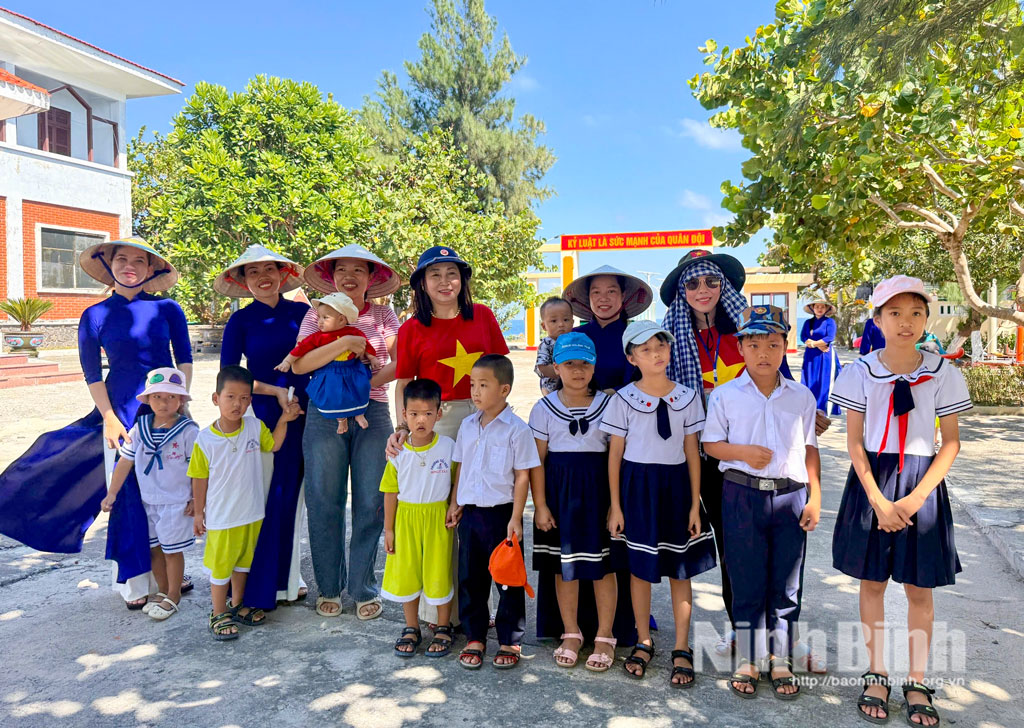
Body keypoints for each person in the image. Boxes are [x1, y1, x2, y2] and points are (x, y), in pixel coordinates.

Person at [0, 236, 193, 610]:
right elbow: (92, 374)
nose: (130, 266)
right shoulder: (94, 315)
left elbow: (184, 359)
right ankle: (135, 582)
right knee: (128, 497)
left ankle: (172, 575)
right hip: (120, 413)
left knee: (168, 492)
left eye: (139, 260)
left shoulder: (168, 309)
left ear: (152, 268)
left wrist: (181, 403)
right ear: (109, 264)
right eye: (122, 259)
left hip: (166, 412)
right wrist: (108, 418)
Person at [660, 248, 829, 670]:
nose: (703, 289)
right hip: (703, 452)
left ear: (725, 286)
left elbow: (779, 377)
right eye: (692, 283)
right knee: (734, 548)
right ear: (682, 291)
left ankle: (783, 636)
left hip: (764, 459)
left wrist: (804, 412)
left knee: (783, 557)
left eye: (711, 281)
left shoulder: (748, 329)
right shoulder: (672, 337)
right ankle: (742, 626)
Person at [829, 276, 972, 727]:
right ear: (877, 319)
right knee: (872, 583)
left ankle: (917, 680)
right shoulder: (859, 372)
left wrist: (915, 500)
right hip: (871, 482)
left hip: (920, 483)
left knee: (919, 589)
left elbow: (951, 442)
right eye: (894, 313)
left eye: (915, 313)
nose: (905, 322)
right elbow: (854, 443)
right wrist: (877, 500)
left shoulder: (943, 372)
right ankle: (876, 673)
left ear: (926, 319)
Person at [702, 306, 822, 700]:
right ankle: (750, 658)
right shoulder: (725, 395)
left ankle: (780, 658)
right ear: (740, 348)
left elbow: (810, 447)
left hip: (791, 495)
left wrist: (815, 497)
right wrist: (742, 452)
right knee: (746, 577)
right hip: (741, 493)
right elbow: (711, 444)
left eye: (772, 343)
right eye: (753, 344)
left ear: (785, 346)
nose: (763, 353)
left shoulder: (801, 396)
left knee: (787, 582)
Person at [390, 245, 509, 627]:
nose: (445, 282)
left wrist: (497, 417)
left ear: (463, 280)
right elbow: (403, 383)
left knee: (481, 512)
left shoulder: (483, 317)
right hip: (436, 422)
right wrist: (403, 427)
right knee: (441, 513)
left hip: (482, 417)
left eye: (452, 273)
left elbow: (501, 369)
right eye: (435, 274)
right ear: (422, 284)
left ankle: (480, 607)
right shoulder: (411, 328)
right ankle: (439, 609)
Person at [604, 321, 716, 686]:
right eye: (645, 349)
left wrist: (694, 504)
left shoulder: (688, 396)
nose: (655, 354)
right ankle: (643, 640)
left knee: (680, 570)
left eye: (661, 346)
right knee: (640, 569)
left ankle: (682, 646)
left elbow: (692, 451)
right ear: (631, 358)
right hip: (637, 488)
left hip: (676, 487)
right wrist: (616, 506)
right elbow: (615, 456)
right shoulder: (622, 399)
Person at [294, 245, 402, 620]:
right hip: (324, 413)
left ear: (372, 278)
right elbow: (300, 363)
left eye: (359, 270)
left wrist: (359, 386)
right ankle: (328, 587)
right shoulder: (317, 314)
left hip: (373, 412)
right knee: (324, 500)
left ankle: (363, 588)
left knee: (372, 501)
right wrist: (342, 343)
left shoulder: (384, 315)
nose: (350, 276)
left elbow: (399, 361)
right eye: (342, 270)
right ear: (332, 277)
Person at [216, 245, 310, 609]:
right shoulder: (240, 321)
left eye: (269, 269)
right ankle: (254, 582)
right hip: (262, 417)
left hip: (304, 413)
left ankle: (288, 578)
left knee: (292, 497)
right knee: (263, 497)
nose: (262, 277)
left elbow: (320, 354)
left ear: (282, 274)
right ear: (243, 281)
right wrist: (275, 391)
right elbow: (230, 377)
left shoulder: (302, 313)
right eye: (252, 272)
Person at [188, 366, 302, 641]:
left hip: (251, 514)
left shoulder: (254, 426)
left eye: (243, 398)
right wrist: (199, 513)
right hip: (222, 518)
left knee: (242, 564)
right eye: (230, 397)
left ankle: (238, 604)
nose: (236, 404)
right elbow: (199, 478)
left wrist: (284, 420)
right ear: (216, 399)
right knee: (221, 568)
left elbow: (273, 445)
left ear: (250, 400)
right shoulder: (205, 439)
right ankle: (218, 613)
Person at [529, 332, 618, 672]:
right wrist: (540, 505)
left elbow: (616, 457)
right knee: (564, 566)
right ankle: (571, 631)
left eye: (584, 363)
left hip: (598, 493)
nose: (578, 370)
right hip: (559, 495)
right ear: (556, 368)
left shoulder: (610, 405)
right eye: (569, 364)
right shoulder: (543, 409)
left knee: (603, 567)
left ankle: (605, 635)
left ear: (594, 366)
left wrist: (615, 504)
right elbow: (537, 461)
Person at [447, 355, 541, 670]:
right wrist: (455, 502)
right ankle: (475, 636)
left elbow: (523, 476)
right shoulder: (467, 426)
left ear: (504, 389)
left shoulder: (517, 429)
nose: (475, 391)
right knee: (470, 577)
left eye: (483, 385)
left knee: (508, 579)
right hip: (471, 514)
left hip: (502, 515)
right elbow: (461, 466)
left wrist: (516, 517)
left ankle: (509, 639)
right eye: (473, 384)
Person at [100, 368, 198, 621]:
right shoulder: (139, 428)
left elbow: (198, 469)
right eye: (157, 397)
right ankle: (163, 590)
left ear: (181, 400)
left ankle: (174, 595)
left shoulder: (188, 431)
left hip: (176, 502)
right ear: (148, 400)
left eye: (171, 397)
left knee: (172, 551)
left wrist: (196, 499)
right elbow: (125, 462)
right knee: (154, 549)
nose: (164, 403)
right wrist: (112, 493)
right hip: (149, 502)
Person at [381, 379, 457, 659]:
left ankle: (444, 627)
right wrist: (389, 529)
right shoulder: (398, 450)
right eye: (414, 414)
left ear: (439, 414)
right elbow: (390, 491)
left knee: (439, 573)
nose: (421, 420)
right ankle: (411, 627)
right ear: (404, 414)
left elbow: (457, 478)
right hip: (406, 520)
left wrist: (454, 505)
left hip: (438, 521)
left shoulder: (448, 446)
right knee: (407, 574)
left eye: (427, 413)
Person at [280, 292, 379, 434]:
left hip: (351, 369)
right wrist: (287, 361)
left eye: (325, 317)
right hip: (330, 373)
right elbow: (300, 349)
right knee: (334, 395)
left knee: (360, 389)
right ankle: (341, 420)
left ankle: (359, 414)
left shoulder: (354, 332)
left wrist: (372, 358)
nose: (320, 322)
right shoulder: (317, 337)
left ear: (341, 319)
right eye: (319, 317)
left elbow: (366, 345)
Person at [563, 265, 654, 392]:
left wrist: (612, 393)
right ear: (588, 297)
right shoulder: (573, 337)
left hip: (627, 403)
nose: (603, 298)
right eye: (596, 292)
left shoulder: (637, 338)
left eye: (611, 291)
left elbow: (645, 381)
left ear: (623, 295)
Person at [801, 298, 842, 414]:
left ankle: (824, 408)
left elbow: (830, 337)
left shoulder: (830, 322)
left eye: (822, 307)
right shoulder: (808, 323)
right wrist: (817, 345)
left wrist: (814, 344)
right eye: (817, 307)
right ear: (812, 308)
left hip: (825, 354)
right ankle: (810, 407)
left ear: (827, 309)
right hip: (810, 355)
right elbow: (803, 337)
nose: (819, 309)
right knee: (810, 378)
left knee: (824, 380)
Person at [533, 296, 575, 394]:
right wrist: (566, 373)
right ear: (544, 326)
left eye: (566, 320)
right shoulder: (546, 344)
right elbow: (542, 367)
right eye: (554, 321)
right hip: (552, 390)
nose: (561, 324)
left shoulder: (576, 342)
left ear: (572, 322)